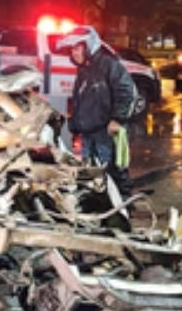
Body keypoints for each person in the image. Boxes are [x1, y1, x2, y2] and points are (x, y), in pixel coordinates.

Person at [56, 25, 137, 196]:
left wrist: (117, 119)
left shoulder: (109, 65)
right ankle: (99, 206)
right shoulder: (84, 71)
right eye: (72, 50)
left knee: (113, 172)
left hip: (106, 132)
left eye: (77, 48)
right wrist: (75, 124)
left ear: (89, 46)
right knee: (91, 174)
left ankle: (122, 208)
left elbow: (127, 93)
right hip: (88, 133)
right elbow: (82, 101)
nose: (74, 53)